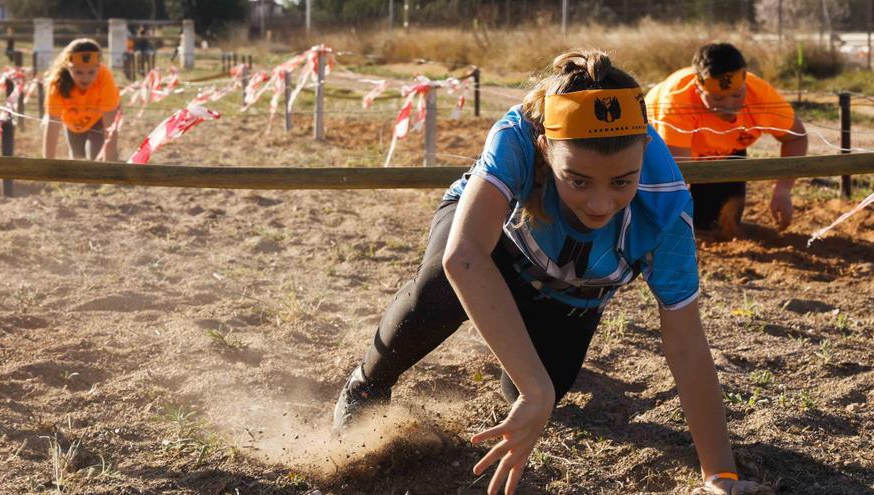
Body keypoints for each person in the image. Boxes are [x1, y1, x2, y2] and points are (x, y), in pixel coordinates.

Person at [332, 49, 766, 495]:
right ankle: (366, 386)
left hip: (574, 292)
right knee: (442, 289)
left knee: (523, 391)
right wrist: (535, 390)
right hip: (498, 244)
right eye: (578, 180)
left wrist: (720, 475)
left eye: (622, 182)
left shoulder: (666, 207)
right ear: (544, 149)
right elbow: (464, 258)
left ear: (645, 150)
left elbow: (688, 346)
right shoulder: (520, 134)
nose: (600, 204)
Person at [645, 42, 808, 238]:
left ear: (745, 82)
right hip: (661, 151)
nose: (729, 105)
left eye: (737, 95)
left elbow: (796, 137)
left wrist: (783, 190)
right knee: (670, 219)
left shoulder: (761, 96)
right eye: (717, 99)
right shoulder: (677, 102)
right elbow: (676, 175)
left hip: (727, 149)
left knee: (721, 224)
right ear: (699, 88)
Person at [43, 39, 120, 161]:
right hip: (72, 124)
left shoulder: (105, 77)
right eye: (78, 72)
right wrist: (47, 163)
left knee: (96, 161)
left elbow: (110, 127)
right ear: (69, 68)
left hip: (98, 120)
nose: (85, 78)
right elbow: (53, 123)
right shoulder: (57, 83)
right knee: (77, 158)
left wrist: (109, 170)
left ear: (98, 67)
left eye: (91, 72)